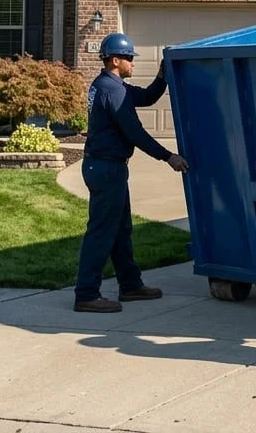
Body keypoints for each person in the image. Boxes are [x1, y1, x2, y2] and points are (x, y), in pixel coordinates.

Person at [74, 32, 189, 313]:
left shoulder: (110, 86)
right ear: (115, 60)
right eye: (129, 58)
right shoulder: (112, 90)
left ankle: (130, 285)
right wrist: (168, 156)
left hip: (105, 167)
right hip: (106, 168)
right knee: (101, 232)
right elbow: (135, 132)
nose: (133, 63)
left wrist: (163, 75)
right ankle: (87, 294)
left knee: (121, 229)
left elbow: (148, 97)